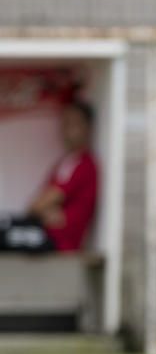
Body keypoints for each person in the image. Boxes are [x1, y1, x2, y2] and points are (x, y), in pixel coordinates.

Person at [0, 100, 98, 253]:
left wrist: (44, 209)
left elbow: (41, 204)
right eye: (65, 123)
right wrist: (45, 212)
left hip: (58, 241)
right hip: (41, 230)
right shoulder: (64, 163)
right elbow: (36, 205)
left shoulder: (84, 164)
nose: (67, 129)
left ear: (87, 127)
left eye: (74, 123)